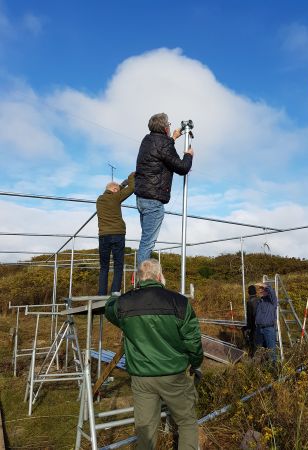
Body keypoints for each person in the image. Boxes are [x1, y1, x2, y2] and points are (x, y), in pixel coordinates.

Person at [105, 258, 203, 450]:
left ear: (139, 278)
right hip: (173, 375)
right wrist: (196, 363)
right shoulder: (180, 302)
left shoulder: (124, 303)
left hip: (142, 377)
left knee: (146, 430)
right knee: (187, 422)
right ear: (159, 276)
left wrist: (114, 296)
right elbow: (193, 340)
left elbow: (110, 310)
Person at [135, 113, 194, 266]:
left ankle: (142, 279)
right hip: (153, 201)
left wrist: (172, 138)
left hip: (142, 199)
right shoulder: (164, 144)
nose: (169, 125)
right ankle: (143, 281)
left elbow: (162, 152)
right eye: (168, 123)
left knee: (145, 241)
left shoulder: (147, 140)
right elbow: (182, 168)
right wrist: (188, 156)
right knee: (147, 244)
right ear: (164, 127)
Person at [96, 172, 135, 295]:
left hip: (103, 236)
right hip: (117, 235)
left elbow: (117, 192)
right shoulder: (116, 197)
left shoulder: (99, 199)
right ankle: (115, 293)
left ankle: (101, 294)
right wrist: (131, 177)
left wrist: (120, 186)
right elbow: (132, 188)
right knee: (118, 266)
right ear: (114, 190)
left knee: (104, 267)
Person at [254, 283, 278, 362]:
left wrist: (264, 285)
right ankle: (260, 370)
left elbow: (272, 291)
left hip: (268, 329)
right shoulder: (259, 301)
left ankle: (273, 369)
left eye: (262, 290)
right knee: (259, 350)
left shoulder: (272, 300)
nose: (260, 291)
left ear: (266, 291)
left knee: (271, 351)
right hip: (259, 329)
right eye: (259, 290)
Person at [243, 285, 259, 357]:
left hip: (253, 323)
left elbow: (249, 315)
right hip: (260, 322)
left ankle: (252, 354)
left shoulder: (249, 302)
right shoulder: (259, 300)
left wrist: (248, 327)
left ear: (249, 292)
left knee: (253, 339)